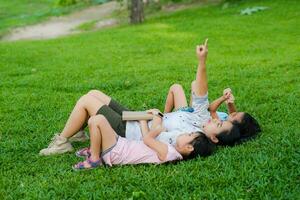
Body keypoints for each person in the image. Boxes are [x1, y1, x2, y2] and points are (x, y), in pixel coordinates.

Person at [39, 39, 239, 156]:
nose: (216, 119)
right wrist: (202, 62)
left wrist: (154, 119)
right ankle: (78, 132)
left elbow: (154, 139)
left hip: (130, 129)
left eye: (219, 125)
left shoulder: (193, 138)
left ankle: (62, 142)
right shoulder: (201, 119)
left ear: (214, 139)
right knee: (94, 93)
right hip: (138, 117)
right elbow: (201, 92)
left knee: (86, 101)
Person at [72, 114, 215, 170]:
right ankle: (95, 150)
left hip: (119, 152)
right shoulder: (171, 150)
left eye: (189, 134)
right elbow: (146, 139)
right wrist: (143, 121)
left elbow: (147, 139)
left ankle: (95, 159)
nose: (185, 133)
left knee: (98, 120)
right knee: (94, 120)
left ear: (189, 147)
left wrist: (158, 129)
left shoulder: (169, 153)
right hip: (121, 145)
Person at [165, 85, 261, 145]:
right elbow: (232, 114)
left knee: (177, 87)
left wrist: (223, 98)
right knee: (193, 84)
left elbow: (211, 109)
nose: (234, 112)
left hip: (189, 117)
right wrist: (230, 102)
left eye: (235, 115)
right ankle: (167, 116)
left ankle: (166, 116)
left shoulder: (220, 126)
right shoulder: (224, 121)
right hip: (193, 113)